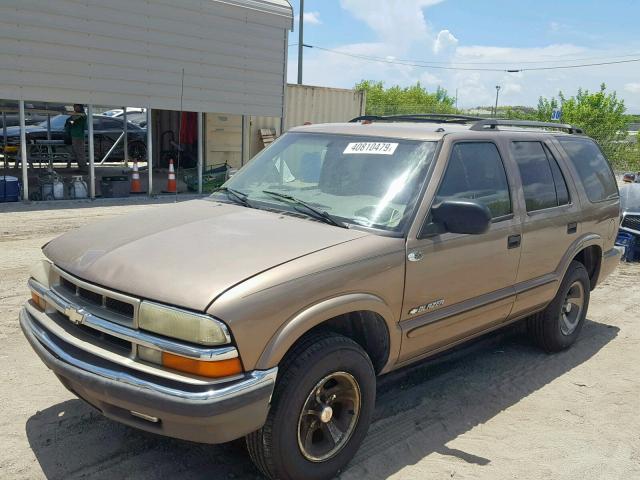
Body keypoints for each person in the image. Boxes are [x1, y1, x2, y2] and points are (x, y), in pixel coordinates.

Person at [64, 104, 88, 170]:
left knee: (79, 152)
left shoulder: (81, 115)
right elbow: (70, 120)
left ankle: (83, 167)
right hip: (74, 135)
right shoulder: (77, 114)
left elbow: (72, 120)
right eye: (74, 107)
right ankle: (81, 167)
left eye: (76, 107)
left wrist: (69, 121)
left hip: (78, 136)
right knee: (76, 152)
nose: (75, 108)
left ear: (80, 107)